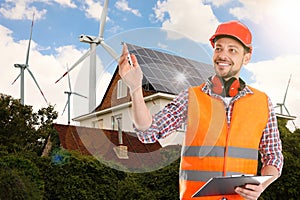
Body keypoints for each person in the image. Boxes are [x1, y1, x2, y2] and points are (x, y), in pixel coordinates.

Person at [118, 20, 283, 200]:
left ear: (247, 57)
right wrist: (135, 88)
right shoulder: (192, 97)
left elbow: (273, 156)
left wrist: (261, 185)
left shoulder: (262, 102)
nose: (223, 55)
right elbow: (148, 131)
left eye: (232, 50)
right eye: (218, 48)